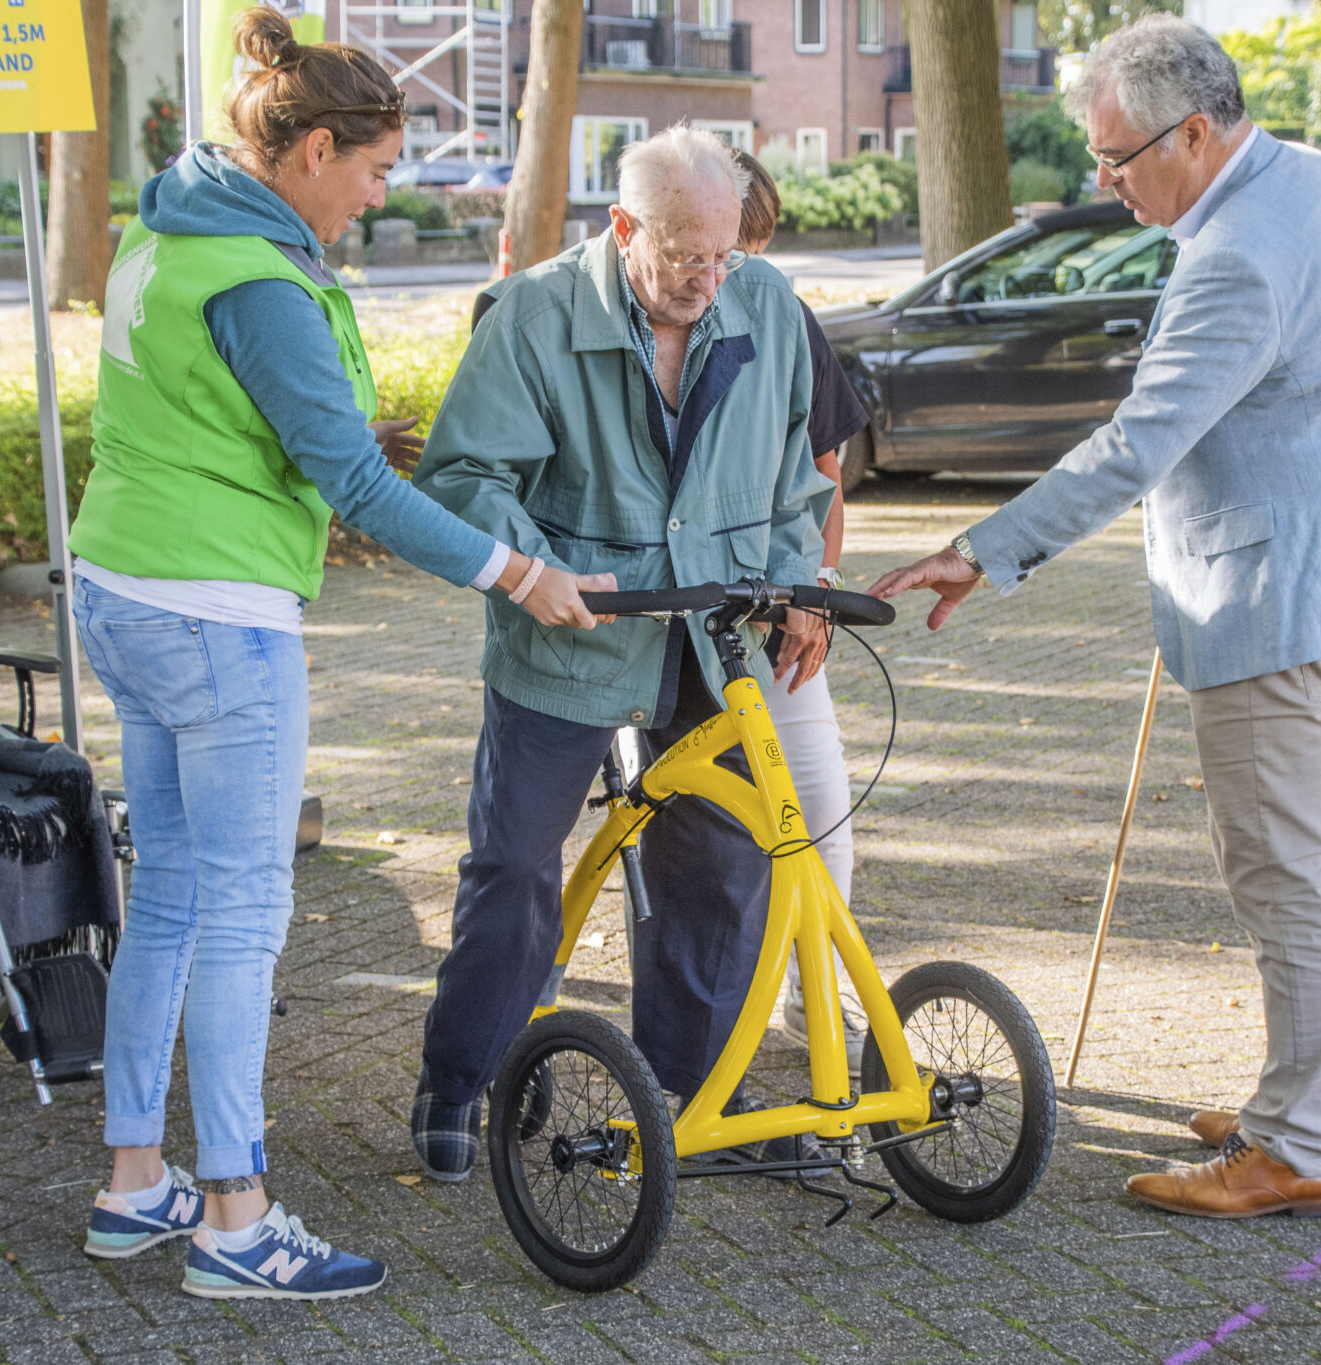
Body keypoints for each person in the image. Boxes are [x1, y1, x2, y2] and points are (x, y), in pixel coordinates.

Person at [66, 7, 604, 1299]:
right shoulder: (262, 277)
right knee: (243, 915)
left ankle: (137, 1182)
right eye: (370, 172)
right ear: (310, 149)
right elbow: (355, 491)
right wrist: (517, 571)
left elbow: (218, 402)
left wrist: (345, 430)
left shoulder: (175, 227)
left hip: (124, 589)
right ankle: (238, 1216)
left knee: (177, 898)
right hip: (216, 611)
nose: (374, 197)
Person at [872, 14, 1321, 1220]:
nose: (1104, 182)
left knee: (1287, 876)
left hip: (1281, 603)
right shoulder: (1308, 179)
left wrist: (985, 548)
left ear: (1193, 131)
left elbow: (1141, 439)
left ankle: (1294, 1147)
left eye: (1117, 159)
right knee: (1304, 866)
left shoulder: (1234, 252)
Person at [410, 125, 834, 1182]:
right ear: (623, 227)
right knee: (512, 864)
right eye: (683, 255)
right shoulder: (534, 316)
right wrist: (537, 570)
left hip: (709, 632)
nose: (706, 279)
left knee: (718, 865)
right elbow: (465, 479)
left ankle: (689, 1094)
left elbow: (795, 477)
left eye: (723, 254)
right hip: (572, 633)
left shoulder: (764, 302)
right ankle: (458, 1078)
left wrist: (799, 585)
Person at [729, 150, 870, 1060]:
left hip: (771, 606)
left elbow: (827, 476)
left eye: (746, 251)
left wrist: (813, 597)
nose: (729, 273)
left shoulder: (782, 314)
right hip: (664, 612)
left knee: (818, 801)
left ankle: (820, 996)